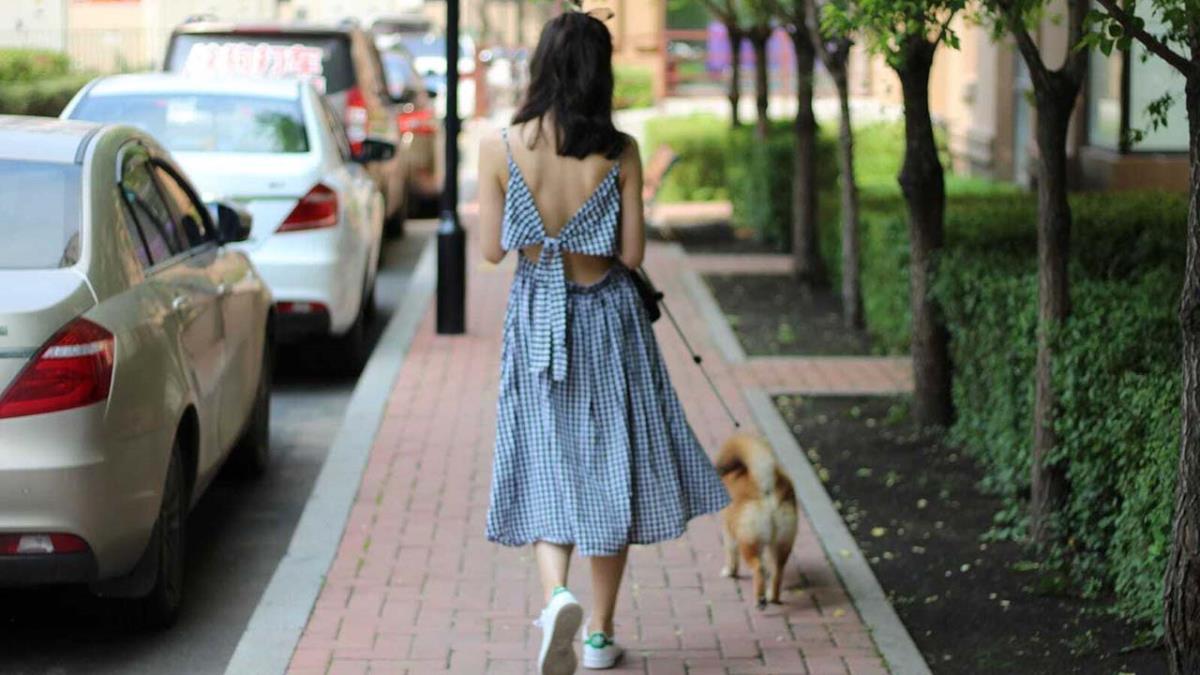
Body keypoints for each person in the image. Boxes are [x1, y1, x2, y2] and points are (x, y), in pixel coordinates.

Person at [477, 9, 730, 674]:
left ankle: (556, 596)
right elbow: (633, 251)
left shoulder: (500, 145)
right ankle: (599, 634)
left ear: (542, 65)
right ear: (601, 72)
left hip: (538, 318)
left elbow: (490, 252)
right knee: (609, 470)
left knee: (543, 459)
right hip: (608, 323)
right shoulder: (621, 152)